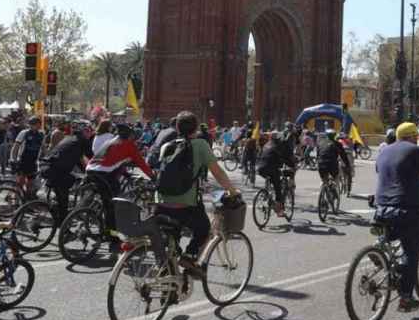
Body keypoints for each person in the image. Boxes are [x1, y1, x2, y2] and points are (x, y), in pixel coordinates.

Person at [155, 111, 238, 278]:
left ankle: (168, 285)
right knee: (204, 230)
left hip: (161, 202)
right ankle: (190, 257)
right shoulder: (200, 144)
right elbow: (218, 173)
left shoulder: (167, 145)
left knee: (171, 244)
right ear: (195, 128)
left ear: (177, 127)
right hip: (185, 205)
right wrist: (232, 190)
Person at [375, 122, 419, 312]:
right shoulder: (417, 151)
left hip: (381, 207)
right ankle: (405, 298)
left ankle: (379, 250)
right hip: (407, 209)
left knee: (391, 234)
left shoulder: (384, 151)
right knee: (411, 252)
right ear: (414, 136)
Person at [86, 123, 155, 247]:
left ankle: (94, 215)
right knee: (113, 206)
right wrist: (153, 177)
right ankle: (112, 238)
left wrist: (126, 174)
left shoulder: (112, 141)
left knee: (106, 198)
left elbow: (116, 160)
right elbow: (141, 163)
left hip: (91, 169)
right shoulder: (129, 145)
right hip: (104, 173)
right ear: (129, 136)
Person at [40, 129, 94, 223]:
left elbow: (76, 159)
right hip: (56, 171)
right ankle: (63, 225)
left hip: (46, 167)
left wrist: (84, 171)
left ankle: (57, 213)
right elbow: (92, 157)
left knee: (61, 193)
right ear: (85, 133)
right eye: (89, 132)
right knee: (65, 195)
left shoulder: (69, 139)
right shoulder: (83, 141)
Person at [257, 131, 296, 217]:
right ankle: (279, 211)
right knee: (278, 188)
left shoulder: (267, 144)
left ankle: (267, 194)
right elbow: (286, 158)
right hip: (272, 169)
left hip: (260, 169)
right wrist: (292, 165)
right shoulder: (278, 146)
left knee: (271, 178)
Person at [10, 116, 44, 199]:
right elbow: (16, 146)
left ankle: (27, 200)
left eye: (39, 124)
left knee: (31, 182)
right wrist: (13, 159)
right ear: (31, 125)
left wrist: (47, 157)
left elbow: (43, 148)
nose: (38, 126)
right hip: (23, 160)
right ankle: (16, 198)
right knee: (20, 181)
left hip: (33, 161)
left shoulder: (41, 134)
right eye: (36, 124)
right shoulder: (24, 133)